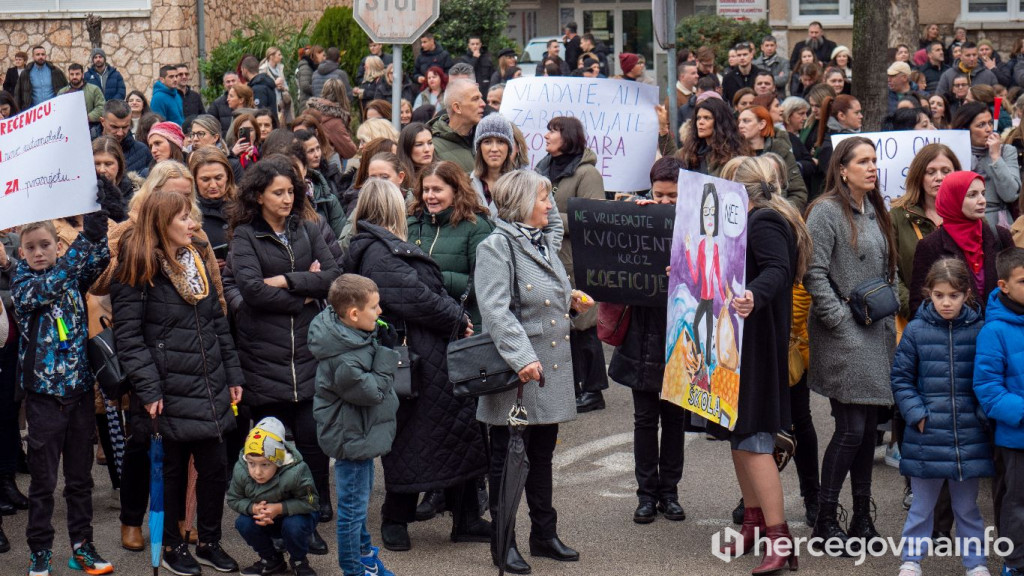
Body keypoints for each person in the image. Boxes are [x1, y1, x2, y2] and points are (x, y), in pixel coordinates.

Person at [344, 179, 487, 552]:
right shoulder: (378, 250)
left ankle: (466, 516)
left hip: (429, 358)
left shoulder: (377, 246)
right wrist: (456, 315)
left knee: (452, 435)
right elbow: (413, 297)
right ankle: (396, 518)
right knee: (412, 441)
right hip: (417, 360)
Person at [109, 187, 241, 576]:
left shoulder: (196, 258)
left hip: (209, 382)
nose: (193, 223)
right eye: (184, 217)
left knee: (215, 468)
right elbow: (129, 339)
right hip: (166, 390)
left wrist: (232, 374)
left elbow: (217, 322)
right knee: (170, 471)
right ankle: (170, 545)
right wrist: (148, 389)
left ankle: (209, 541)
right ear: (161, 223)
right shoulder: (135, 267)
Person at [475, 168, 588, 574]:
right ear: (524, 204)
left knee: (541, 456)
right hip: (519, 374)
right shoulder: (497, 246)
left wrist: (566, 300)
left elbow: (540, 293)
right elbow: (495, 312)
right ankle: (503, 543)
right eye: (543, 199)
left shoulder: (539, 241)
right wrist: (522, 357)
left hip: (549, 370)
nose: (550, 206)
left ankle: (544, 535)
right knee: (508, 460)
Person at [224, 154, 341, 542]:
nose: (287, 199)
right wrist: (303, 294)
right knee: (271, 450)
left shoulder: (305, 228)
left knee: (313, 440)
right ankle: (272, 523)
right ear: (258, 195)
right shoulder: (245, 235)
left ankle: (315, 508)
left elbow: (332, 277)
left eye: (291, 191)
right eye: (278, 192)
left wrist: (285, 281)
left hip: (308, 356)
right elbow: (253, 291)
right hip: (264, 359)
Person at [803, 136, 898, 553]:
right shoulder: (825, 211)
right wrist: (838, 319)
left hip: (876, 331)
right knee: (851, 429)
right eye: (863, 161)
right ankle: (825, 518)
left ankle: (861, 517)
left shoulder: (878, 210)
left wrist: (889, 311)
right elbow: (814, 272)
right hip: (843, 334)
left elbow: (888, 269)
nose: (872, 167)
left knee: (865, 429)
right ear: (842, 169)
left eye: (874, 160)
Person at [12, 211, 112, 576]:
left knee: (80, 478)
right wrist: (83, 243)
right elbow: (54, 282)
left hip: (80, 392)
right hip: (43, 398)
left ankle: (82, 546)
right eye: (31, 248)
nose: (39, 252)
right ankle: (40, 549)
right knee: (43, 481)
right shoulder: (23, 283)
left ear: (57, 246)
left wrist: (97, 230)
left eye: (46, 245)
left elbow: (98, 261)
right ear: (21, 252)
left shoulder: (69, 277)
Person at [892, 257, 992, 576]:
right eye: (939, 295)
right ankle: (911, 560)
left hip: (969, 436)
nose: (946, 302)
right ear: (928, 294)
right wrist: (917, 414)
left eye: (953, 295)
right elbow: (901, 378)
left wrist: (980, 415)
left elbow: (990, 378)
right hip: (927, 435)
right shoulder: (916, 332)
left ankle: (975, 563)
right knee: (922, 506)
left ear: (966, 294)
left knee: (967, 508)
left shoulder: (980, 331)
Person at [607, 158, 688, 526]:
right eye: (660, 194)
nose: (666, 201)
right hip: (642, 330)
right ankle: (645, 494)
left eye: (674, 195)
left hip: (679, 329)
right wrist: (636, 217)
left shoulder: (698, 223)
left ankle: (669, 492)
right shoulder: (638, 214)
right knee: (644, 418)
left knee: (674, 417)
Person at [309, 273, 399, 576]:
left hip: (360, 436)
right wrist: (388, 354)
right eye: (375, 307)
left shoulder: (352, 334)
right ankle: (354, 569)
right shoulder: (342, 359)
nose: (380, 312)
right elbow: (372, 391)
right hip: (351, 438)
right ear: (353, 314)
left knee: (357, 510)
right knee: (351, 512)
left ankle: (365, 557)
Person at [974, 247, 1024, 576]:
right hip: (1016, 437)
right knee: (1018, 505)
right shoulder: (994, 331)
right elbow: (988, 390)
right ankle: (1015, 563)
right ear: (1003, 285)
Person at [909, 170, 1015, 317]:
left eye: (983, 193)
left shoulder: (1000, 236)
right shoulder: (930, 245)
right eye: (972, 195)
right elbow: (919, 303)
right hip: (954, 335)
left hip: (999, 333)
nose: (982, 200)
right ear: (953, 198)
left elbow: (1016, 286)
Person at [228, 417, 319, 576]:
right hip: (264, 517)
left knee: (294, 526)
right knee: (243, 522)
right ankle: (271, 559)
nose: (257, 472)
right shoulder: (240, 469)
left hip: (293, 517)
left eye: (265, 464)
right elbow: (233, 499)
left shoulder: (296, 470)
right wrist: (253, 508)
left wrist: (279, 508)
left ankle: (299, 560)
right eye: (252, 463)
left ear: (278, 460)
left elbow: (312, 502)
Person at [891, 144, 961, 318]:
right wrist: (916, 309)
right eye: (931, 172)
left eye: (946, 171)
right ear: (919, 177)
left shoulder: (970, 215)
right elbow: (890, 271)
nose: (939, 177)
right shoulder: (898, 216)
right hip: (916, 319)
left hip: (964, 320)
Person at [951, 102, 1021, 229]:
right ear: (966, 130)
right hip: (962, 222)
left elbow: (1010, 194)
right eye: (981, 125)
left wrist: (995, 157)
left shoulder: (1006, 151)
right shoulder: (954, 154)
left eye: (989, 123)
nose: (988, 129)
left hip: (997, 223)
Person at [737, 106, 808, 211]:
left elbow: (798, 192)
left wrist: (781, 213)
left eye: (746, 121)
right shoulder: (734, 153)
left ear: (762, 124)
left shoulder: (780, 151)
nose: (740, 125)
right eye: (739, 121)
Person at [678, 98, 750, 177]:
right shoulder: (689, 152)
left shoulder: (735, 153)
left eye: (707, 118)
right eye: (698, 118)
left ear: (719, 122)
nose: (700, 122)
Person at [189, 146, 236, 262]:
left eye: (218, 178)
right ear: (194, 180)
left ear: (228, 176)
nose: (213, 185)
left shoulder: (243, 204)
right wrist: (206, 263)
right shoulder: (187, 212)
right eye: (205, 179)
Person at [429, 79, 485, 174]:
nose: (483, 104)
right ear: (457, 108)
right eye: (475, 99)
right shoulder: (431, 147)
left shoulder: (487, 138)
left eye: (481, 98)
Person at [471, 113, 517, 215]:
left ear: (509, 147)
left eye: (500, 141)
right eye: (487, 142)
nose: (494, 149)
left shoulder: (524, 184)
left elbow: (553, 225)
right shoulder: (466, 184)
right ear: (479, 148)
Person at [306, 79, 359, 163]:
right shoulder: (334, 121)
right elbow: (349, 151)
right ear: (342, 95)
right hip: (327, 162)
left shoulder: (311, 112)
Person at [99, 99, 153, 176]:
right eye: (114, 127)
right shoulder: (87, 148)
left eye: (125, 127)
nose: (120, 133)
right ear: (102, 121)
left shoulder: (143, 151)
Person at [93, 135, 135, 217]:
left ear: (119, 164)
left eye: (108, 164)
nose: (102, 170)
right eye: (97, 164)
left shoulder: (130, 193)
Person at [14, 45, 68, 110]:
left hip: (54, 109)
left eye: (43, 54)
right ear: (33, 57)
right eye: (38, 54)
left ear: (46, 56)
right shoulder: (26, 73)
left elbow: (66, 88)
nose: (41, 57)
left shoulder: (55, 71)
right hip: (34, 111)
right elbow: (18, 94)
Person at [752, 35, 789, 100]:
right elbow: (753, 80)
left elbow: (784, 79)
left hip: (779, 97)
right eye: (767, 45)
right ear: (762, 47)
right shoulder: (755, 64)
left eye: (772, 45)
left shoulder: (783, 62)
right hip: (759, 97)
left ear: (776, 46)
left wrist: (762, 80)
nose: (769, 48)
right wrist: (776, 78)